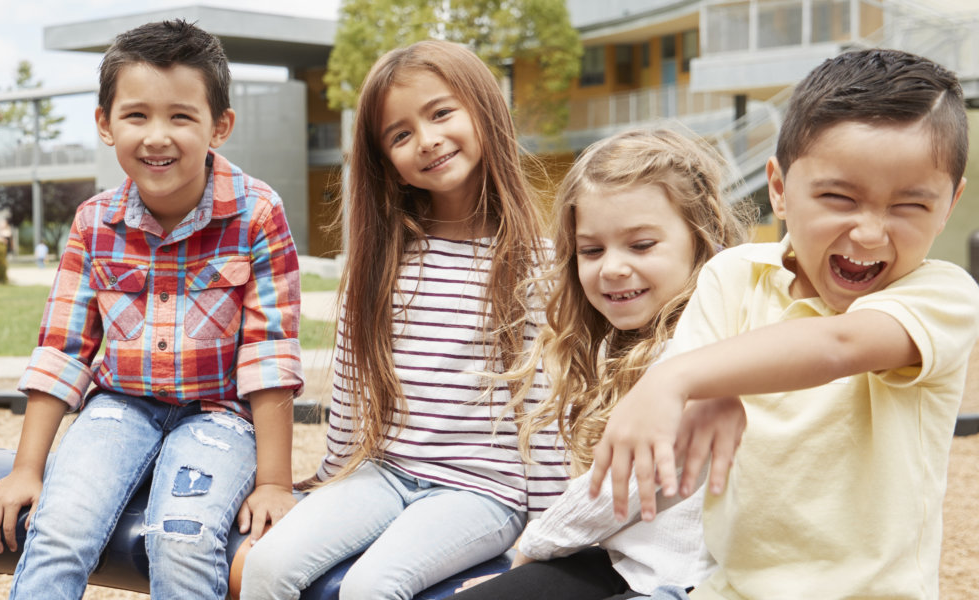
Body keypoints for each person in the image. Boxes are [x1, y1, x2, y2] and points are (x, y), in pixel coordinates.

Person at [591, 49, 976, 600]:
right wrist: (694, 390)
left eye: (909, 205)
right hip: (727, 586)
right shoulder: (735, 276)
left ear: (948, 206)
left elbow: (839, 344)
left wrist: (679, 380)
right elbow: (685, 397)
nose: (869, 234)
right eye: (838, 197)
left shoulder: (942, 296)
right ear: (778, 189)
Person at [0, 20, 303, 599]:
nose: (157, 136)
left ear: (218, 125)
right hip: (120, 406)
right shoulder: (94, 222)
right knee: (59, 526)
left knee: (183, 538)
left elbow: (270, 351)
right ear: (105, 124)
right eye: (136, 115)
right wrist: (26, 470)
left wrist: (274, 481)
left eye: (181, 116)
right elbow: (63, 348)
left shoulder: (257, 213)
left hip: (218, 414)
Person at [239, 40, 566, 600]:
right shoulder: (382, 260)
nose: (427, 139)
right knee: (265, 568)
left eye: (441, 113)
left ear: (484, 110)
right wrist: (329, 477)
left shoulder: (538, 264)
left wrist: (547, 525)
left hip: (483, 493)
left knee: (372, 587)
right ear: (387, 161)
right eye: (401, 134)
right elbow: (352, 380)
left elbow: (544, 404)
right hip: (385, 473)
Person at [450, 128, 750, 600]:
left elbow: (617, 488)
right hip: (626, 561)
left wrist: (528, 552)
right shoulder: (626, 342)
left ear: (701, 237)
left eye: (641, 245)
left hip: (689, 578)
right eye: (592, 250)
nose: (611, 267)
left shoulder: (702, 345)